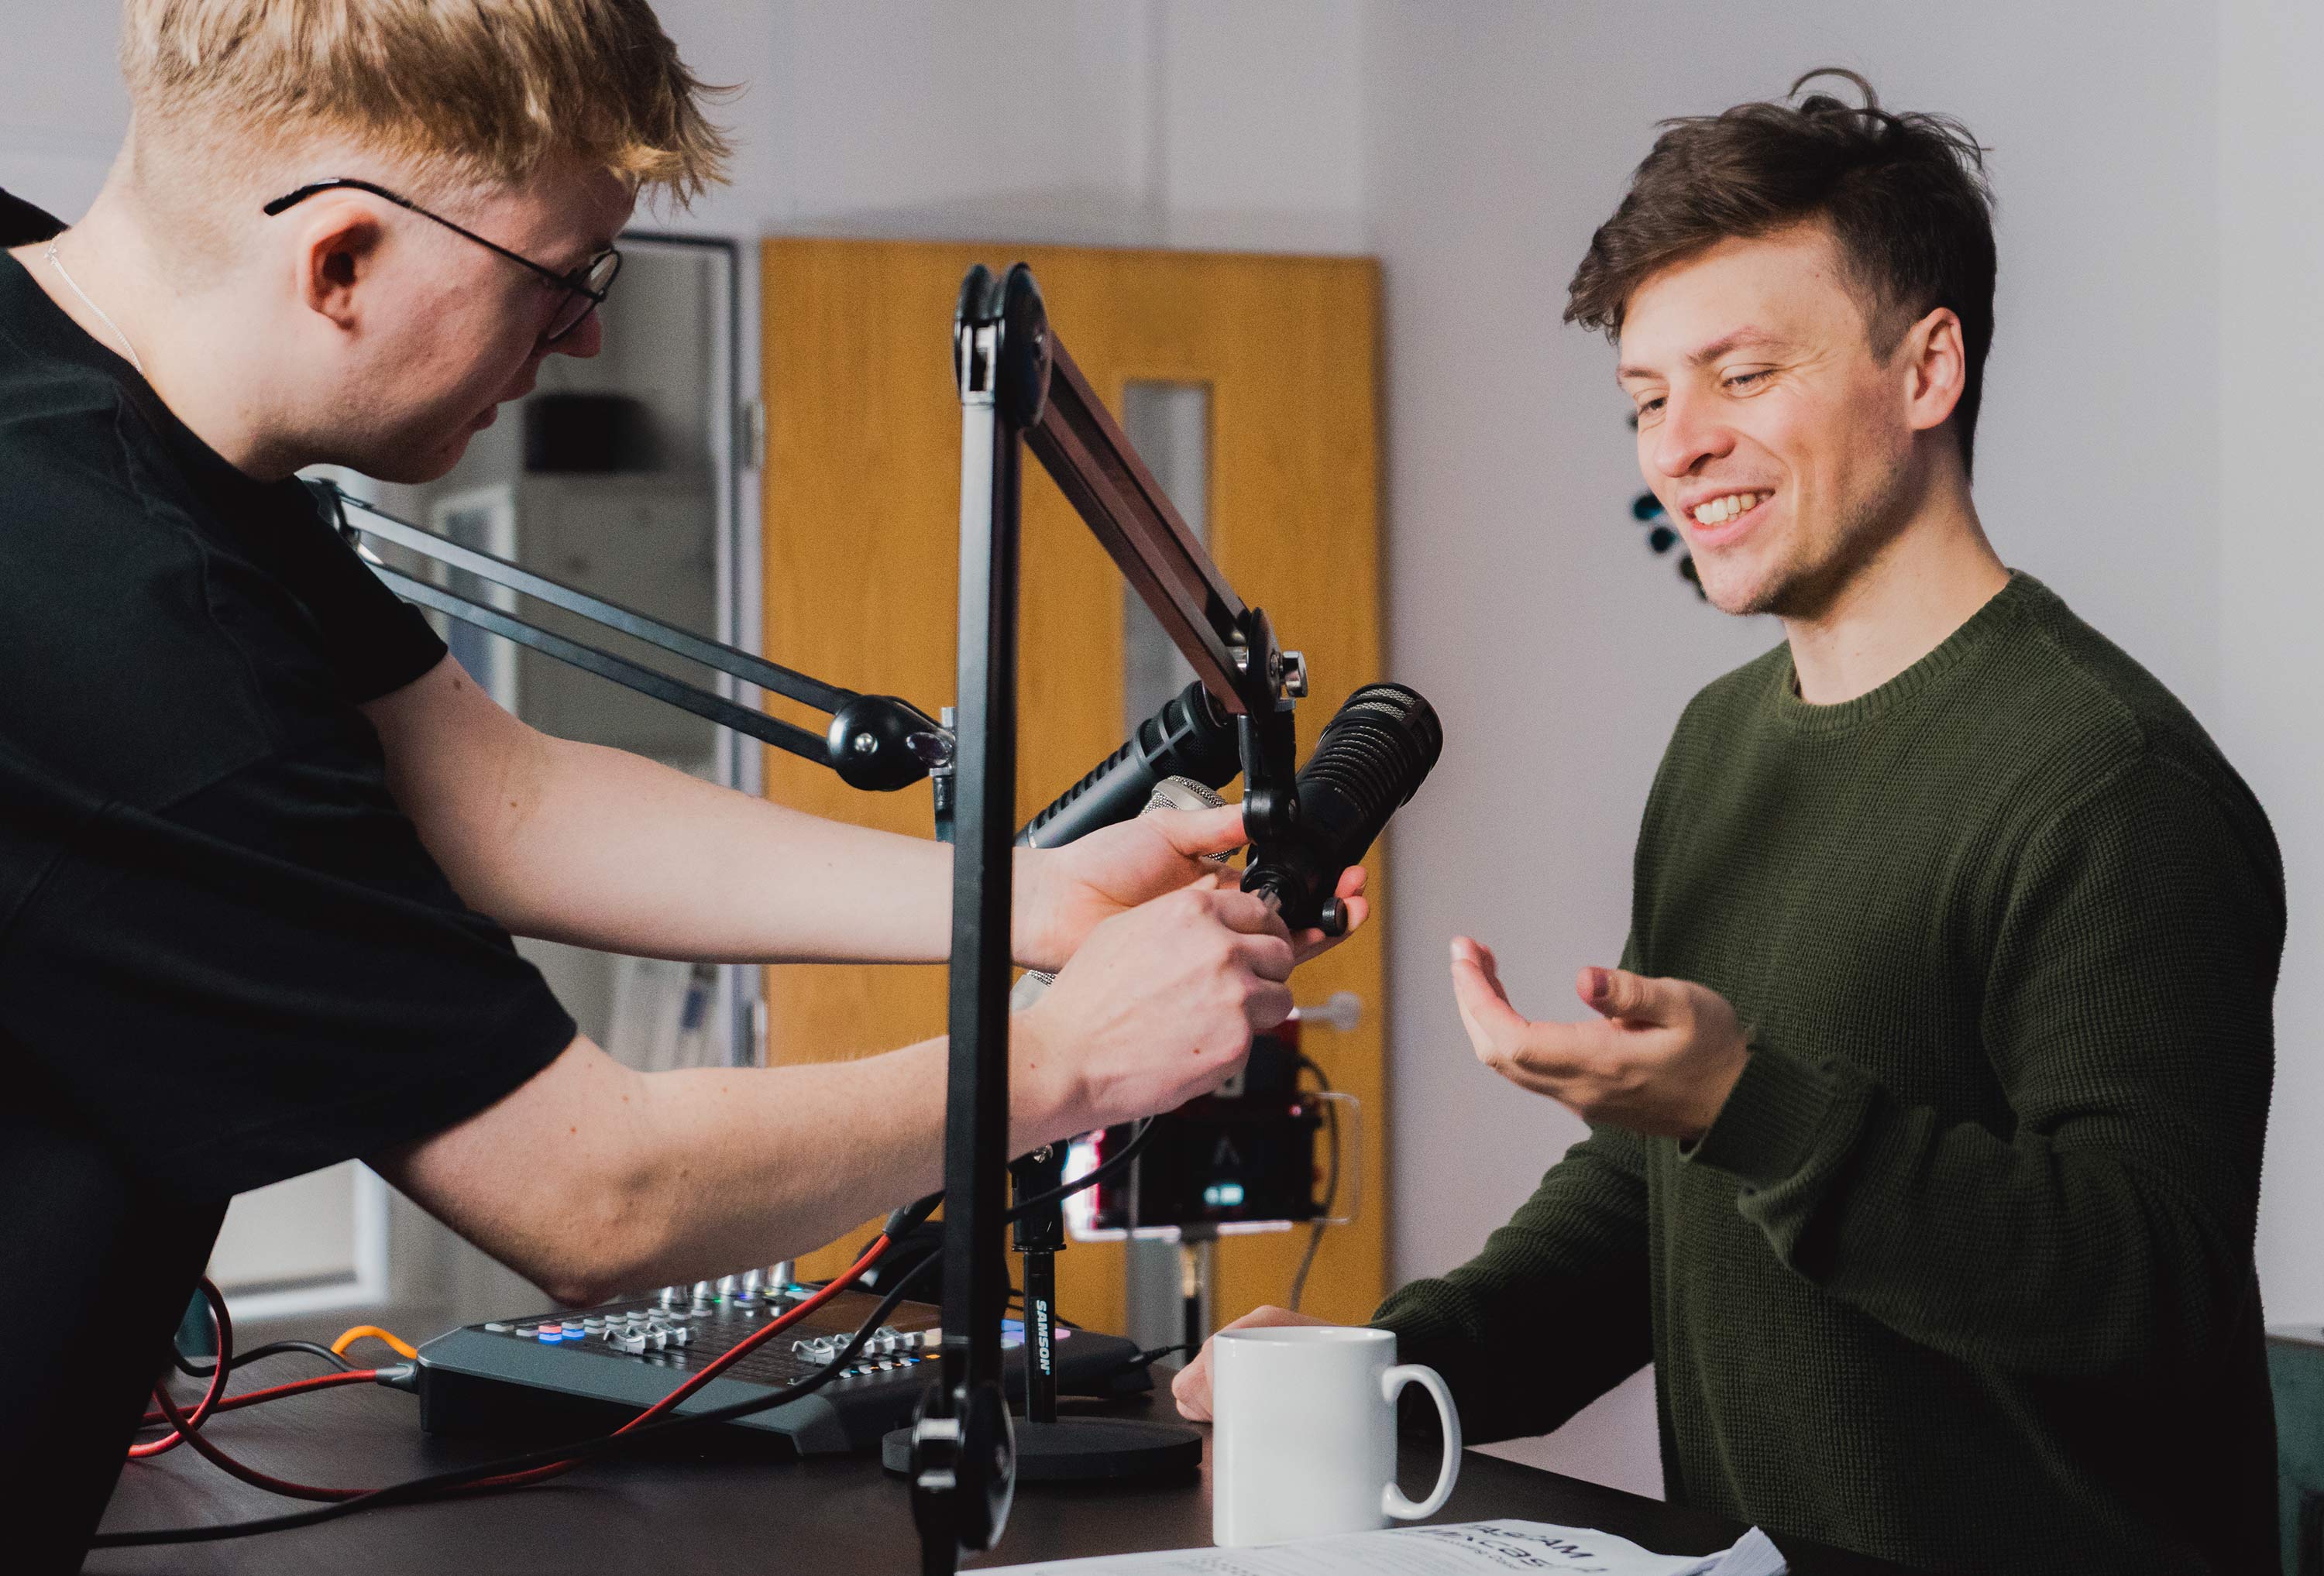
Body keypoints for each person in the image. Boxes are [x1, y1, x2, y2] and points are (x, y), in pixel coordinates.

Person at [0, 1, 1363, 1559]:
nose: (584, 336)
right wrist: (1067, 1062)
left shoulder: (102, 374)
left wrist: (1029, 896)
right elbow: (595, 1196)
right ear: (342, 262)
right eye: (563, 276)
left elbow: (501, 796)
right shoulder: (130, 628)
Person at [1175, 71, 2281, 1576]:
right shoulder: (1718, 746)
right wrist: (1384, 1367)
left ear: (1928, 368)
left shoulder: (2112, 781)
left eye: (1743, 376)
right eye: (1646, 400)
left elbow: (2147, 1290)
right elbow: (1656, 1202)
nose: (1675, 446)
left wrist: (1743, 1102)